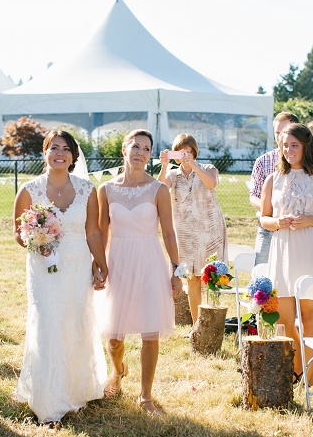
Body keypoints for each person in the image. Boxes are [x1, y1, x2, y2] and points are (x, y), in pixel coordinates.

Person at [12, 130, 109, 424]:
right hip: (44, 266)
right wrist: (35, 236)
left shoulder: (87, 189)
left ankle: (77, 388)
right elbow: (18, 233)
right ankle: (48, 397)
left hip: (78, 264)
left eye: (65, 149)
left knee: (76, 319)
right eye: (54, 147)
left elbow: (93, 231)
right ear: (44, 152)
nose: (59, 153)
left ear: (73, 156)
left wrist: (101, 264)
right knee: (49, 321)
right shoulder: (29, 190)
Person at [97, 129, 182, 415]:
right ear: (124, 149)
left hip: (150, 261)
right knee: (113, 336)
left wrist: (176, 269)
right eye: (136, 146)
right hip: (117, 261)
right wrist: (99, 266)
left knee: (150, 332)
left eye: (146, 149)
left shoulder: (158, 190)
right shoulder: (106, 190)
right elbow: (101, 232)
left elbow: (169, 233)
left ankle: (146, 396)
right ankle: (118, 370)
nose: (141, 153)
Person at [260, 123, 313, 384]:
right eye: (285, 145)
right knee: (283, 321)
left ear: (306, 146)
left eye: (294, 145)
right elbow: (264, 219)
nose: (289, 150)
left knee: (309, 319)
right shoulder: (273, 179)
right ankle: (295, 371)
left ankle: (310, 378)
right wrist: (277, 223)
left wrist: (310, 220)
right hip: (283, 251)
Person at [157, 133, 227, 324]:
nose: (185, 155)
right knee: (191, 279)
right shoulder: (172, 175)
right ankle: (197, 326)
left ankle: (212, 325)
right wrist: (164, 166)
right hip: (185, 232)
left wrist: (194, 165)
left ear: (195, 152)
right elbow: (159, 190)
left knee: (212, 278)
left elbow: (211, 184)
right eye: (181, 152)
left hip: (209, 231)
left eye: (189, 151)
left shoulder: (208, 168)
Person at [249, 112, 300, 266]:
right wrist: (274, 211)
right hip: (268, 228)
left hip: (299, 229)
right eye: (277, 133)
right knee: (262, 274)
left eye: (284, 132)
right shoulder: (263, 161)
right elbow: (253, 196)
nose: (280, 137)